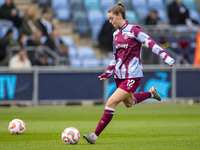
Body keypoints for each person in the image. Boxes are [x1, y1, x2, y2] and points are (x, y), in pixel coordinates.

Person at [82, 2, 175, 144]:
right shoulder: (115, 35)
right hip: (119, 75)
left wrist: (165, 56)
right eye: (109, 19)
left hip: (132, 75)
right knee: (129, 103)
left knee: (111, 102)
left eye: (112, 18)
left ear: (120, 15)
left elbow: (150, 43)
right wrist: (107, 72)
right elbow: (115, 56)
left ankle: (94, 136)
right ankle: (151, 94)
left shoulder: (134, 30)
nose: (110, 21)